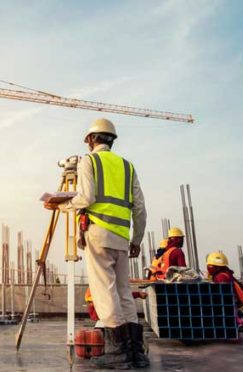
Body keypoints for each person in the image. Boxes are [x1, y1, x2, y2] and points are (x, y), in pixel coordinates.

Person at [46, 118, 148, 369]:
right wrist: (137, 239)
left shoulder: (89, 161)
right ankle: (136, 354)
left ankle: (118, 355)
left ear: (92, 139)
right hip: (122, 238)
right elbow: (141, 209)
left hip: (99, 234)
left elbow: (86, 197)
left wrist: (61, 205)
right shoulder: (128, 166)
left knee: (105, 292)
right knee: (124, 292)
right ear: (111, 140)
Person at [207, 251, 243, 323]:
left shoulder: (221, 277)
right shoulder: (226, 274)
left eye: (210, 266)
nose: (208, 269)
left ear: (217, 267)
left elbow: (226, 298)